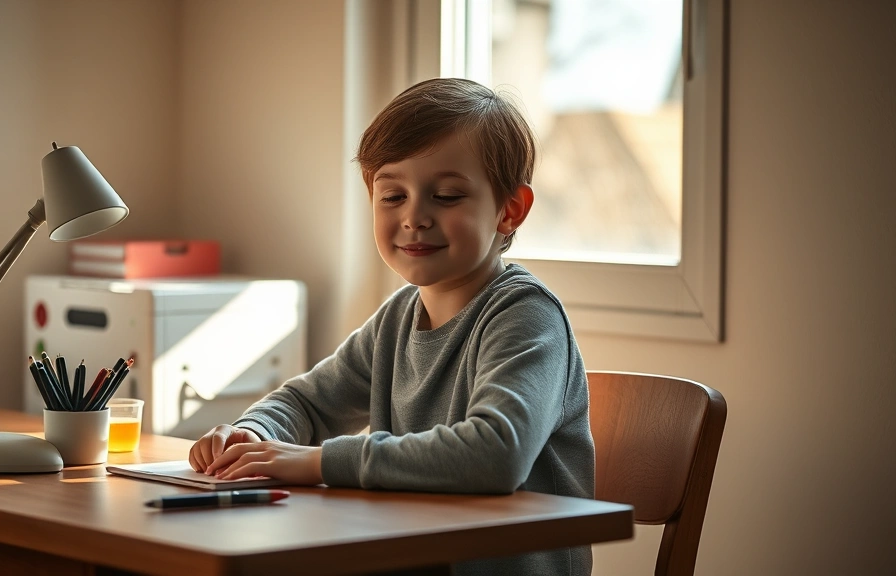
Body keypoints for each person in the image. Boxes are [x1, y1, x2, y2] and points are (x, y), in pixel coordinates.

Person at [189, 77, 594, 575]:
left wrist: (315, 462)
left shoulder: (526, 316)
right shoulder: (397, 319)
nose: (414, 217)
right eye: (392, 195)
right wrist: (252, 434)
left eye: (446, 195)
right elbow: (306, 403)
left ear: (510, 209)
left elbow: (497, 453)